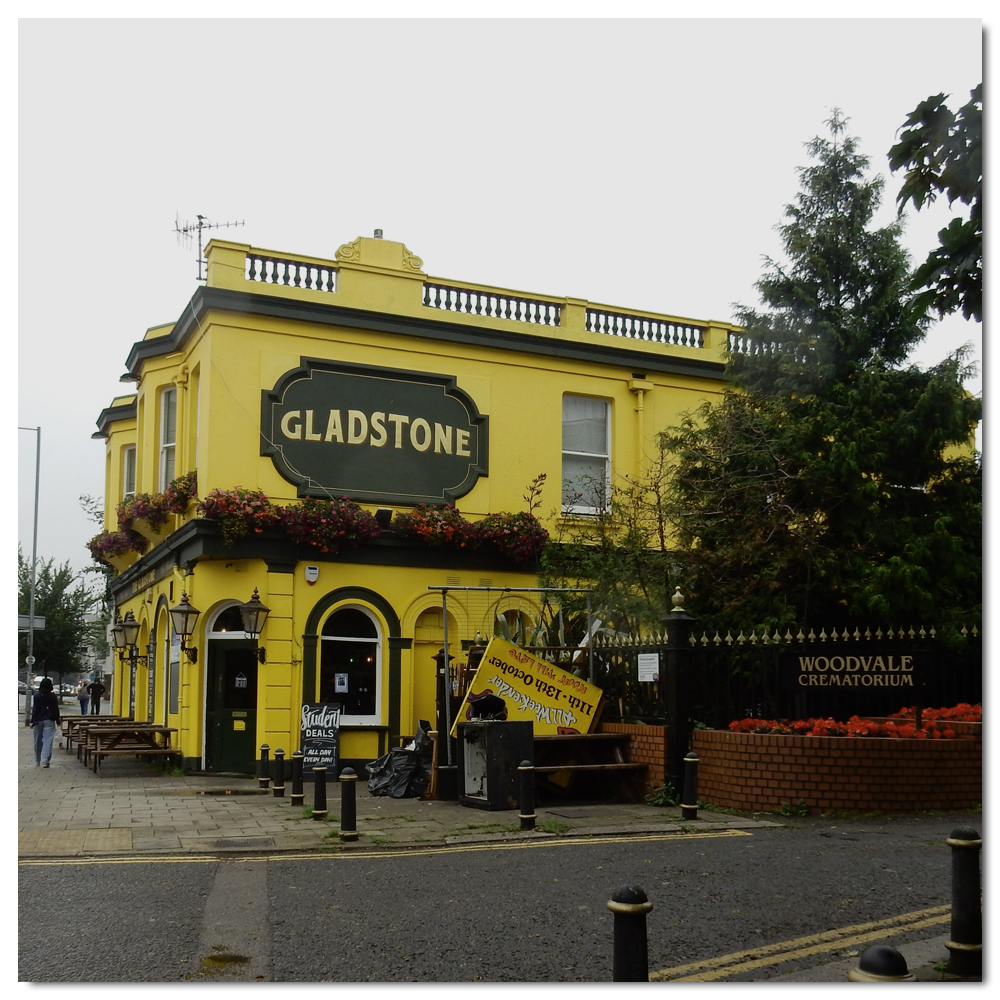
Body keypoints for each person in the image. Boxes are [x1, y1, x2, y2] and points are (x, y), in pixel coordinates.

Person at [28, 678, 61, 767]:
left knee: (37, 740)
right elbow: (56, 709)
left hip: (38, 720)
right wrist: (58, 720)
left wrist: (32, 721)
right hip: (49, 720)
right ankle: (45, 761)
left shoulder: (37, 695)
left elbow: (35, 709)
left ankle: (37, 759)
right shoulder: (53, 696)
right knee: (48, 740)